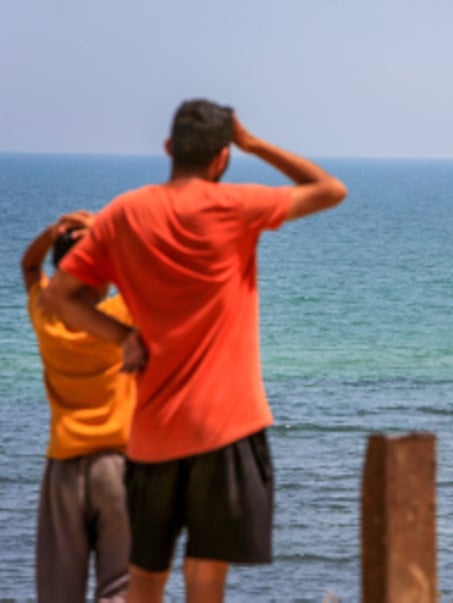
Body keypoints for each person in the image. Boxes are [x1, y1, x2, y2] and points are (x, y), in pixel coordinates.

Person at [41, 99, 348, 602]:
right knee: (206, 579)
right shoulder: (237, 206)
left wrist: (123, 338)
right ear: (221, 158)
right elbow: (330, 190)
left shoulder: (124, 213)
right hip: (226, 425)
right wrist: (255, 144)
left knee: (145, 580)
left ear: (168, 148)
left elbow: (58, 296)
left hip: (152, 433)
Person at [22, 211, 135, 602]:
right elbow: (145, 273)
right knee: (120, 587)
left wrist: (54, 232)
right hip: (120, 465)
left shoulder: (48, 317)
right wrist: (106, 236)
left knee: (58, 591)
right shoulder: (121, 315)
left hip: (64, 466)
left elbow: (30, 264)